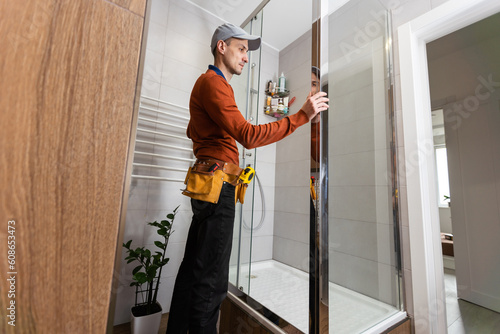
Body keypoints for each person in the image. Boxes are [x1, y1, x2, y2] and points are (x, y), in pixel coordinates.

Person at [166, 23, 329, 334]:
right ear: (221, 47)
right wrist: (301, 116)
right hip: (218, 188)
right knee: (212, 280)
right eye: (241, 49)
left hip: (207, 185)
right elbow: (249, 136)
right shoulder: (213, 83)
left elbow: (195, 131)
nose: (246, 57)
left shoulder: (211, 86)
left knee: (194, 270)